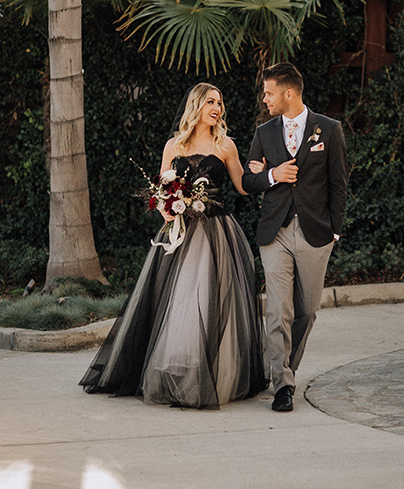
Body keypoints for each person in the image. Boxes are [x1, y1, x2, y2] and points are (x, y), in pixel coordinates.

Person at [80, 83, 269, 409]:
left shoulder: (226, 145)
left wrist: (264, 174)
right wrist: (168, 207)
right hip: (180, 231)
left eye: (220, 103)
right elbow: (162, 190)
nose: (217, 108)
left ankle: (208, 372)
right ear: (196, 105)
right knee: (179, 303)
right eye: (211, 101)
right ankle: (176, 371)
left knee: (209, 299)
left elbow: (242, 186)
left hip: (217, 231)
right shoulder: (174, 144)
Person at [242, 62, 348, 412]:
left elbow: (338, 183)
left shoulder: (329, 130)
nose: (265, 98)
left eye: (269, 92)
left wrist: (335, 229)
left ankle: (286, 364)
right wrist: (273, 174)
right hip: (275, 232)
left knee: (306, 311)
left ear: (289, 93)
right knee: (278, 310)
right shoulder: (264, 132)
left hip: (316, 231)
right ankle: (282, 384)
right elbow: (248, 180)